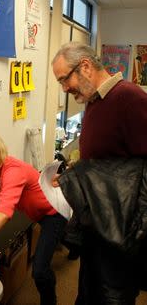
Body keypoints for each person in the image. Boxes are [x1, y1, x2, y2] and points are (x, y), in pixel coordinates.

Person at [52, 41, 147, 305]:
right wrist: (76, 173)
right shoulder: (94, 101)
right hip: (97, 224)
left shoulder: (129, 98)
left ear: (85, 66)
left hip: (119, 228)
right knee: (88, 291)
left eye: (64, 79)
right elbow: (106, 160)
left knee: (112, 296)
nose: (64, 88)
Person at [0, 131, 67, 305]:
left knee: (39, 270)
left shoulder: (13, 170)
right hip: (36, 213)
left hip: (53, 213)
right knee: (64, 237)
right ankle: (72, 240)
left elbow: (4, 211)